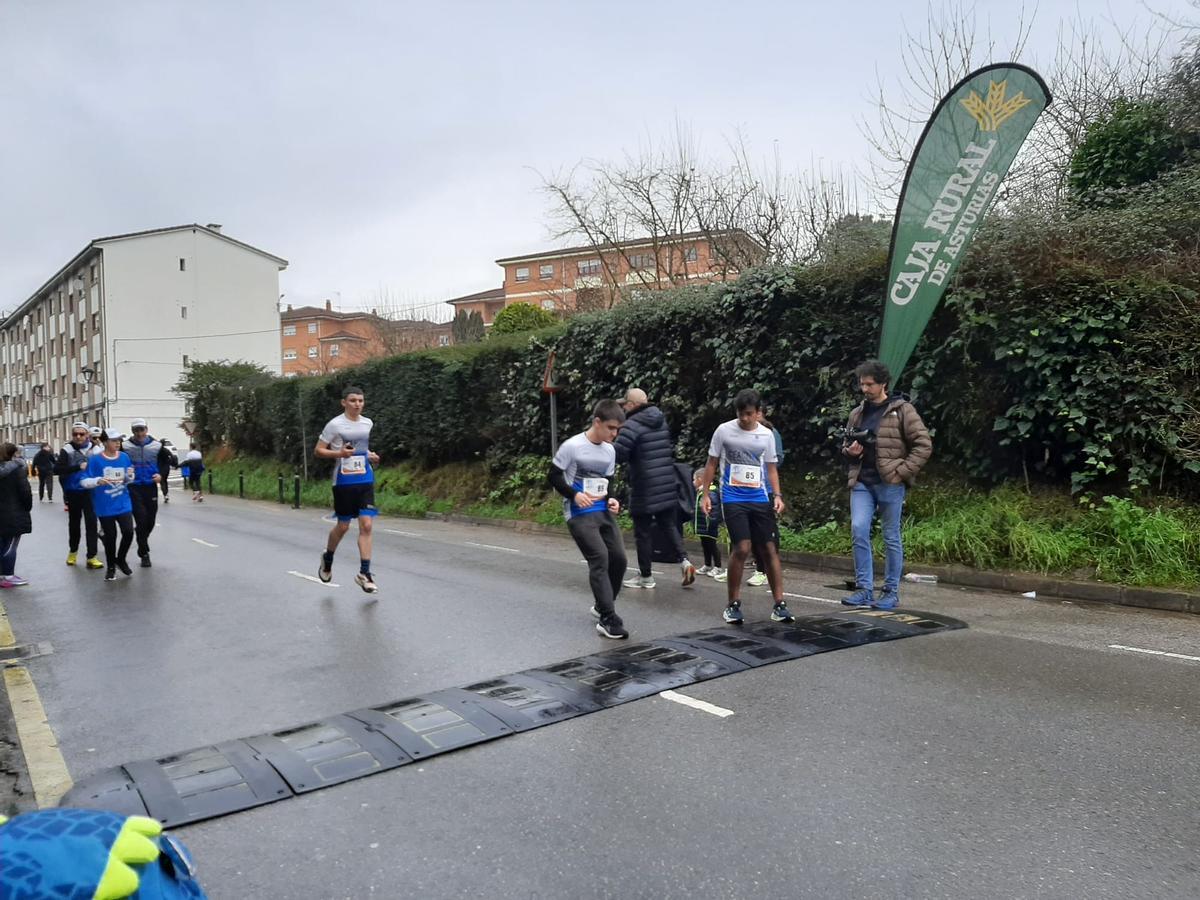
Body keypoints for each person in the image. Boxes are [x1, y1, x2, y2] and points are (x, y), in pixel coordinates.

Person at [840, 360, 932, 611]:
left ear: (883, 384)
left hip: (890, 482)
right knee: (859, 529)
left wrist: (901, 472)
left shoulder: (903, 410)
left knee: (891, 536)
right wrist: (852, 452)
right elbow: (845, 447)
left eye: (870, 384)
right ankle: (864, 588)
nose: (865, 389)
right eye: (862, 384)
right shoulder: (857, 413)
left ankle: (890, 591)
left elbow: (923, 445)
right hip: (861, 480)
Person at [699, 389, 794, 625]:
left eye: (749, 414)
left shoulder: (766, 435)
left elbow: (771, 468)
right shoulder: (724, 430)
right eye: (741, 414)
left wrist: (778, 495)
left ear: (759, 413)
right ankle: (733, 604)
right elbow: (711, 463)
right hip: (732, 497)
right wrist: (705, 495)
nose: (745, 419)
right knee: (741, 547)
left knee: (769, 548)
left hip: (760, 498)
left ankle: (779, 604)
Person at [548, 399, 629, 639]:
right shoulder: (573, 446)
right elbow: (553, 476)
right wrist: (575, 494)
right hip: (579, 513)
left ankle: (602, 605)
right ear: (597, 422)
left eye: (618, 430)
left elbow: (608, 481)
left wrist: (613, 499)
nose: (614, 434)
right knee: (600, 557)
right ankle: (608, 617)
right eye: (611, 428)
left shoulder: (609, 450)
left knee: (620, 559)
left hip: (602, 511)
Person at [613, 387, 695, 590]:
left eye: (625, 403)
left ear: (632, 405)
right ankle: (684, 561)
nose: (623, 407)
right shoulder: (660, 420)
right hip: (666, 481)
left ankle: (646, 576)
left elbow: (620, 454)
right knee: (668, 524)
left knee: (643, 532)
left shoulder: (630, 425)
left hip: (644, 484)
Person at [315, 386, 380, 594]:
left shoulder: (367, 423)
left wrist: (370, 456)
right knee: (343, 527)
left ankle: (365, 573)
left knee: (367, 525)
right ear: (344, 403)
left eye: (360, 400)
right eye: (353, 400)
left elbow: (361, 448)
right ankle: (328, 558)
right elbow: (319, 450)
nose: (357, 404)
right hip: (343, 481)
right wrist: (340, 454)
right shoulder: (335, 424)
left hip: (365, 478)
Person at [82, 428, 136, 581]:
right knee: (110, 537)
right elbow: (84, 480)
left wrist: (130, 476)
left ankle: (121, 559)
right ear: (105, 442)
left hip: (123, 502)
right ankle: (111, 566)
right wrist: (97, 481)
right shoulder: (96, 460)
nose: (117, 443)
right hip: (104, 504)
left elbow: (128, 478)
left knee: (128, 532)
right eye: (114, 440)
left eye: (119, 440)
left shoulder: (125, 457)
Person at [54, 423, 103, 569]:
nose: (78, 437)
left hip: (91, 491)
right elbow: (56, 469)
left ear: (87, 435)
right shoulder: (67, 450)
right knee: (74, 524)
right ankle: (73, 552)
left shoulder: (96, 449)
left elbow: (103, 466)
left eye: (82, 434)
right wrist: (76, 467)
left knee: (91, 523)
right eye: (75, 434)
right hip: (74, 491)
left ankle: (92, 556)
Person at [123, 419, 167, 567]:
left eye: (141, 430)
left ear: (146, 430)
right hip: (134, 487)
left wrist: (161, 475)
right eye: (136, 430)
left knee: (150, 521)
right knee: (141, 519)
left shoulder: (157, 446)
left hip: (150, 486)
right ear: (132, 431)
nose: (139, 433)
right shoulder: (125, 446)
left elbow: (165, 463)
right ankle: (144, 553)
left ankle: (141, 536)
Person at [0, 444, 33, 588]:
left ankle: (3, 575)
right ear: (14, 454)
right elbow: (25, 493)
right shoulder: (18, 470)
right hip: (14, 514)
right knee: (10, 546)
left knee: (1, 544)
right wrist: (27, 507)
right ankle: (7, 575)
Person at [693, 467, 724, 578]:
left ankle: (718, 567)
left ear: (701, 479)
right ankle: (707, 564)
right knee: (705, 545)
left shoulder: (711, 492)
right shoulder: (701, 492)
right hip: (703, 525)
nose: (693, 482)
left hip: (709, 525)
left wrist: (712, 523)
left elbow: (714, 510)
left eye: (694, 479)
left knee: (712, 546)